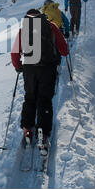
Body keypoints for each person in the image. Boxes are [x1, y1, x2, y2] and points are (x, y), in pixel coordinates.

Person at [11, 9, 69, 156]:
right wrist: (64, 52)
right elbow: (63, 48)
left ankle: (28, 129)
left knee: (30, 97)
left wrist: (18, 66)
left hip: (29, 69)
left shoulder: (23, 29)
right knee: (45, 99)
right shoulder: (51, 26)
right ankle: (43, 133)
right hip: (47, 68)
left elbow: (14, 52)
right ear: (41, 15)